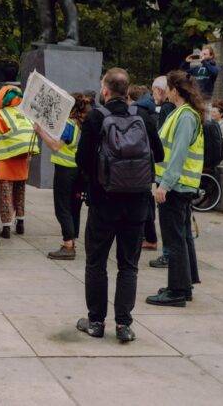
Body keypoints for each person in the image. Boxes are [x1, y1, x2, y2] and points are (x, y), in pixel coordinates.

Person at [75, 68, 164, 342]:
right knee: (128, 265)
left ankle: (96, 322)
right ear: (127, 91)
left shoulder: (96, 117)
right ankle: (124, 325)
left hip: (104, 202)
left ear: (105, 90)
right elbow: (158, 154)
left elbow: (82, 161)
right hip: (137, 203)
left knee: (96, 262)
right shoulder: (144, 117)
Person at [146, 71, 205, 307]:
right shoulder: (184, 113)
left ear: (175, 90)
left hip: (176, 186)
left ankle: (177, 290)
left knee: (175, 240)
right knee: (183, 237)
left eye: (168, 87)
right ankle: (184, 284)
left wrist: (165, 185)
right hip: (181, 185)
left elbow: (178, 154)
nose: (166, 91)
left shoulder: (185, 116)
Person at [33, 92, 92, 259]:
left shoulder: (69, 124)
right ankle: (71, 241)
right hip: (79, 171)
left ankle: (68, 245)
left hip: (65, 170)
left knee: (62, 208)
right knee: (74, 207)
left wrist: (40, 131)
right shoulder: (84, 124)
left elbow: (55, 146)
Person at [0, 84, 38, 238]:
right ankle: (20, 223)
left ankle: (6, 228)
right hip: (23, 160)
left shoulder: (0, 114)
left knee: (6, 194)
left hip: (7, 160)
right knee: (20, 192)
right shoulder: (25, 115)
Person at [130, 85, 159, 251]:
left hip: (139, 166)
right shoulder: (151, 114)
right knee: (147, 202)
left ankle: (148, 237)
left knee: (144, 205)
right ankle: (149, 237)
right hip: (149, 165)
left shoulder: (136, 114)